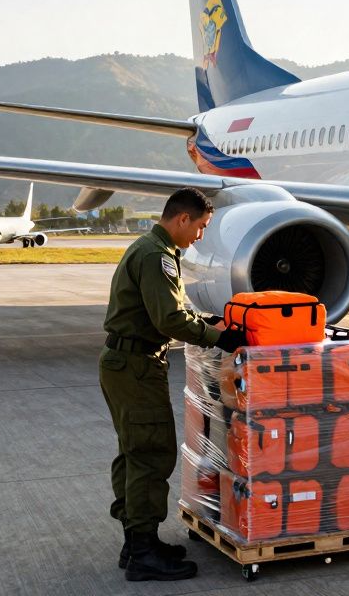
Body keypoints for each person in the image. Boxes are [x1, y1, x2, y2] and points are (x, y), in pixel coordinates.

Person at [99, 188, 245, 581]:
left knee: (133, 452)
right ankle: (143, 551)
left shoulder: (153, 250)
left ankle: (136, 541)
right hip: (136, 365)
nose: (199, 236)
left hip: (127, 362)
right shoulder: (155, 256)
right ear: (183, 219)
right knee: (150, 454)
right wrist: (218, 338)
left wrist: (207, 321)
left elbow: (173, 308)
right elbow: (168, 320)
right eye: (200, 227)